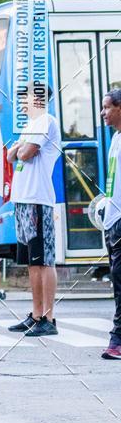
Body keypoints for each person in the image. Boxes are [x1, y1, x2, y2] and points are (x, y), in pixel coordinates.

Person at [6, 84, 61, 337]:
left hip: (38, 199)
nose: (21, 102)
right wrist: (18, 149)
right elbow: (10, 157)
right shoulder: (30, 126)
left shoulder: (46, 121)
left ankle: (48, 318)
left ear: (38, 99)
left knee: (44, 259)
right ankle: (36, 314)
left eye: (25, 97)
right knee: (31, 261)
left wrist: (19, 148)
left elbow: (25, 153)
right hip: (22, 199)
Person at [100, 88, 121, 360]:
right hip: (112, 220)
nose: (103, 113)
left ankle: (117, 339)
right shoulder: (115, 138)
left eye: (107, 107)